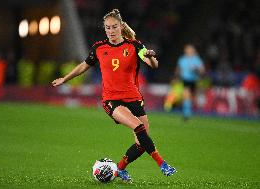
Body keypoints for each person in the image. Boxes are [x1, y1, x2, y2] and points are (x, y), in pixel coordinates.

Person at [52, 9, 176, 182]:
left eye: (114, 27)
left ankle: (119, 169)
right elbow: (84, 65)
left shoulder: (134, 46)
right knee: (139, 128)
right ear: (105, 29)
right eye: (107, 28)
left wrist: (151, 57)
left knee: (142, 143)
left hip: (134, 99)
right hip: (112, 100)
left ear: (121, 26)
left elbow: (151, 63)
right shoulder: (99, 48)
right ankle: (162, 164)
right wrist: (65, 78)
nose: (110, 31)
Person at [175, 44, 205, 120]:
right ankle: (186, 114)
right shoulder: (182, 59)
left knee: (192, 98)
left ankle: (190, 112)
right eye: (187, 49)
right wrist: (177, 77)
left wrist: (196, 70)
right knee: (186, 96)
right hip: (185, 80)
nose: (188, 50)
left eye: (190, 49)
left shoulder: (197, 59)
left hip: (194, 80)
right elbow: (178, 69)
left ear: (193, 50)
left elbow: (202, 71)